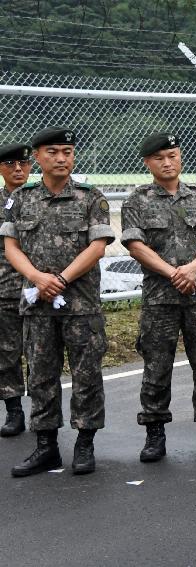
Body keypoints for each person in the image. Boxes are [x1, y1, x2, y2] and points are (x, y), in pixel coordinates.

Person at [1, 127, 114, 476]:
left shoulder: (90, 197)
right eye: (53, 152)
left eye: (67, 151)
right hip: (37, 304)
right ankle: (46, 446)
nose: (62, 157)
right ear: (37, 157)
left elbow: (98, 246)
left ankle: (84, 443)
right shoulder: (21, 200)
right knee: (40, 376)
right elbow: (11, 247)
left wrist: (62, 279)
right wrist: (37, 278)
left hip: (80, 305)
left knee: (86, 375)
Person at [121, 132, 196, 462]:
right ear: (148, 163)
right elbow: (135, 246)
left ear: (180, 156)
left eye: (172, 155)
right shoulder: (137, 201)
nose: (167, 162)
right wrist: (174, 273)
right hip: (160, 297)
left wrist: (193, 268)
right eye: (159, 158)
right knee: (156, 365)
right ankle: (155, 432)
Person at [0, 143, 32, 437]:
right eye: (10, 164)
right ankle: (13, 411)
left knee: (41, 352)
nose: (18, 169)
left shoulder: (40, 200)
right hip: (6, 288)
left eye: (23, 164)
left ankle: (42, 409)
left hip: (40, 289)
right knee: (7, 352)